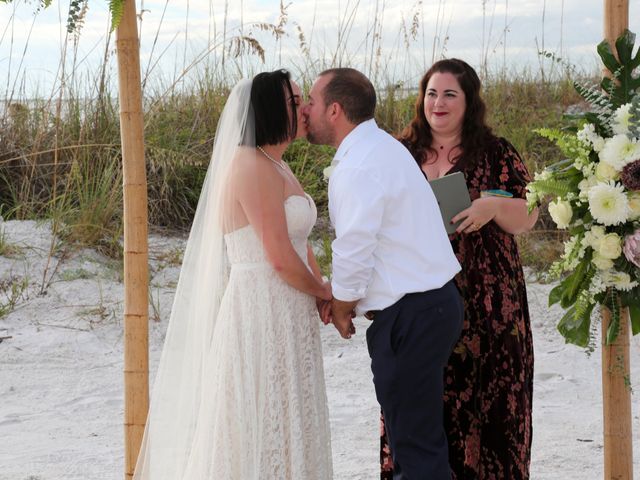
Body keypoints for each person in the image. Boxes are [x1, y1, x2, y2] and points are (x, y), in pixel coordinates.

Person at [133, 70, 333, 479]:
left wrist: (320, 289)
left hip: (289, 306)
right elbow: (277, 255)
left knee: (287, 408)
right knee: (260, 414)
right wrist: (324, 293)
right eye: (296, 101)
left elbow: (299, 242)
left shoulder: (277, 166)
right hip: (263, 308)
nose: (305, 108)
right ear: (273, 110)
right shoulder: (250, 165)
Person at [379, 58, 539, 479]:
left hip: (488, 303)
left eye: (450, 93)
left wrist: (492, 206)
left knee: (492, 410)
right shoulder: (400, 153)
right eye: (432, 93)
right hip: (417, 299)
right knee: (423, 407)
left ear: (470, 101)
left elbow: (528, 216)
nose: (439, 102)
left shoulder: (494, 152)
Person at [304, 67, 464, 479]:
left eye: (312, 101)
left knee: (416, 450)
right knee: (416, 441)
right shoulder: (382, 147)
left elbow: (356, 247)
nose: (306, 109)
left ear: (335, 110)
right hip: (431, 305)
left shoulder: (358, 165)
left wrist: (341, 307)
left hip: (412, 314)